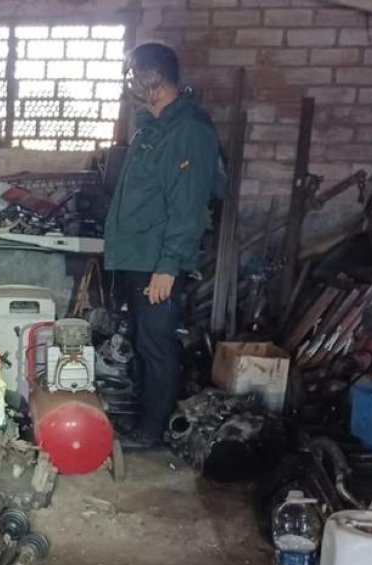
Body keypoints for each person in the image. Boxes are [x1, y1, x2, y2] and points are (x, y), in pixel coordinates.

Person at [104, 42, 224, 448]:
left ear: (152, 80)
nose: (128, 84)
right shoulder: (152, 124)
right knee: (143, 340)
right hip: (139, 256)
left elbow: (188, 208)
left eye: (132, 76)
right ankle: (143, 421)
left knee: (157, 346)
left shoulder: (189, 131)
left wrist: (167, 267)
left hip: (158, 261)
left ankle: (152, 432)